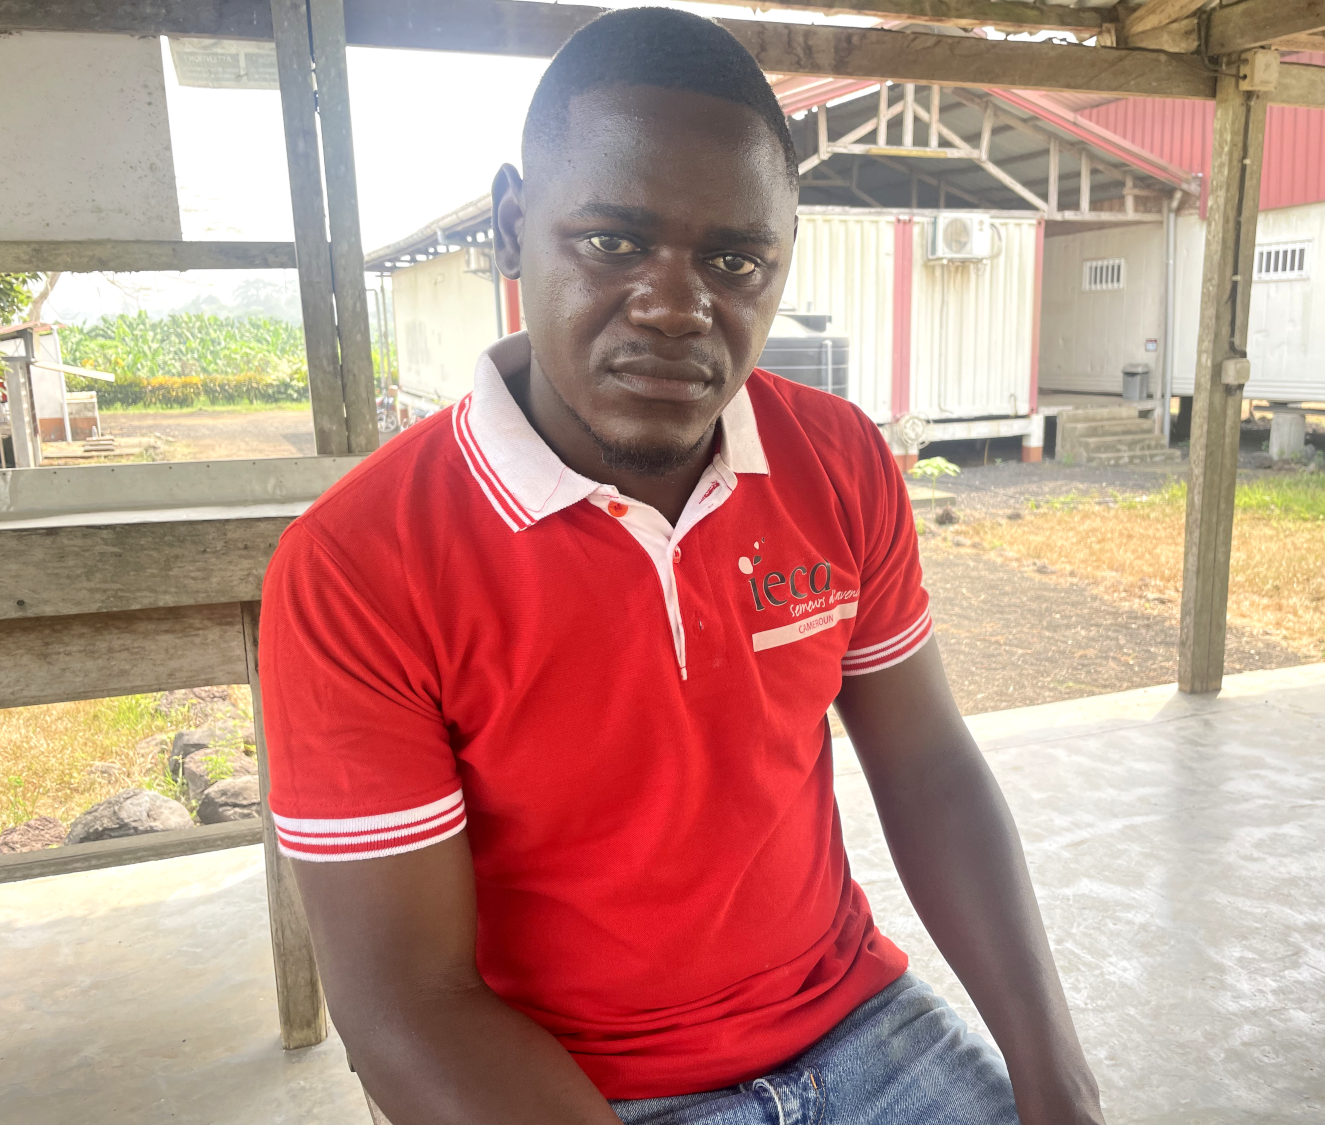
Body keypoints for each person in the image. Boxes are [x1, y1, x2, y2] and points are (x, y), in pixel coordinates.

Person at [259, 9, 1104, 1124]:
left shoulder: (838, 461)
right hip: (572, 1087)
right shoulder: (357, 565)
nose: (675, 305)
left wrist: (1057, 1083)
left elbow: (929, 767)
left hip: (857, 1023)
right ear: (514, 226)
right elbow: (407, 1008)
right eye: (612, 243)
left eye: (735, 259)